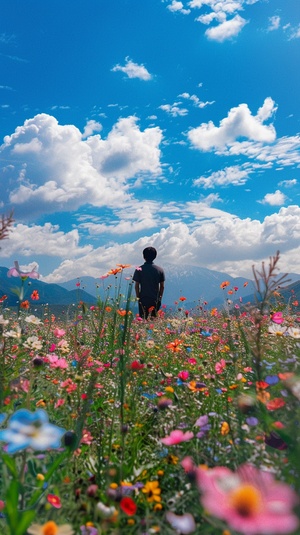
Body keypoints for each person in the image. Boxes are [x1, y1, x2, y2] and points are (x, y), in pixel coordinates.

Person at [133, 246, 165, 319]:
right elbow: (162, 286)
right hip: (155, 299)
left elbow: (136, 286)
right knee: (153, 320)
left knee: (143, 318)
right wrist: (159, 298)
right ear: (155, 256)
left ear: (144, 256)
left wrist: (138, 297)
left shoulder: (139, 269)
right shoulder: (160, 270)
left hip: (143, 298)